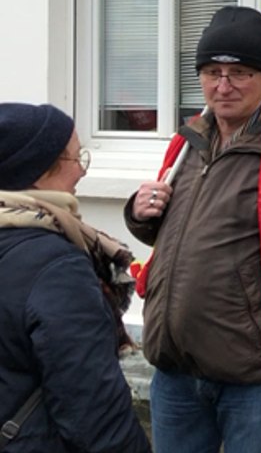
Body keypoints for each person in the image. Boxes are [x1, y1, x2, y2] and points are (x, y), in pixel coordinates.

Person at [125, 6, 261, 453]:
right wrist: (139, 213)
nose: (223, 86)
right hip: (175, 370)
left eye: (239, 73)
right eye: (212, 72)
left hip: (252, 379)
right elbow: (176, 239)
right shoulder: (189, 141)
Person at [0, 103, 150, 452]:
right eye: (75, 157)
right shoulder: (56, 267)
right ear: (38, 169)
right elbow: (93, 407)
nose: (82, 170)